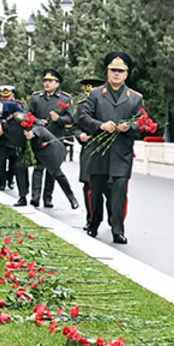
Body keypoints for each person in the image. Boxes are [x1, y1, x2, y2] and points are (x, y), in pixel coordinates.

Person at [77, 53, 144, 244]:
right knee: (96, 192)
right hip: (99, 151)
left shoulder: (135, 98)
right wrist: (100, 125)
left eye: (120, 71)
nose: (116, 74)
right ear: (107, 72)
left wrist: (129, 127)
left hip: (122, 153)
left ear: (126, 74)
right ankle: (94, 222)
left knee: (119, 192)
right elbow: (83, 117)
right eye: (113, 70)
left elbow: (141, 123)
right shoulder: (96, 94)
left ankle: (118, 229)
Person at [27, 69, 79, 209]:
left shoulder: (65, 99)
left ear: (57, 83)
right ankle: (35, 197)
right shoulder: (36, 98)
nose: (47, 83)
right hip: (39, 139)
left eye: (50, 81)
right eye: (45, 81)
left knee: (53, 170)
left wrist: (58, 119)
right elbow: (28, 115)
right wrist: (38, 121)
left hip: (55, 140)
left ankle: (48, 198)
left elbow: (71, 119)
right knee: (38, 168)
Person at [74, 77, 103, 231]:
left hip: (105, 148)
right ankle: (91, 218)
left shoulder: (107, 105)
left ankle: (114, 219)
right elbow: (75, 127)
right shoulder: (82, 106)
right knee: (88, 185)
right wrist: (80, 135)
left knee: (109, 187)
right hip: (89, 149)